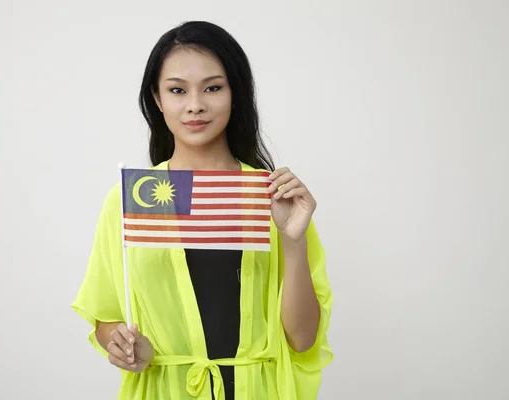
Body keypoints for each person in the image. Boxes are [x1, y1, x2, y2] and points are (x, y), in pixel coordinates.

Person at [72, 20, 333, 400]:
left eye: (213, 88)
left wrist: (293, 242)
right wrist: (129, 348)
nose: (195, 105)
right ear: (158, 100)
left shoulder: (275, 198)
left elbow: (302, 338)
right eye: (177, 90)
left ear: (236, 94)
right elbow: (107, 315)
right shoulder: (135, 199)